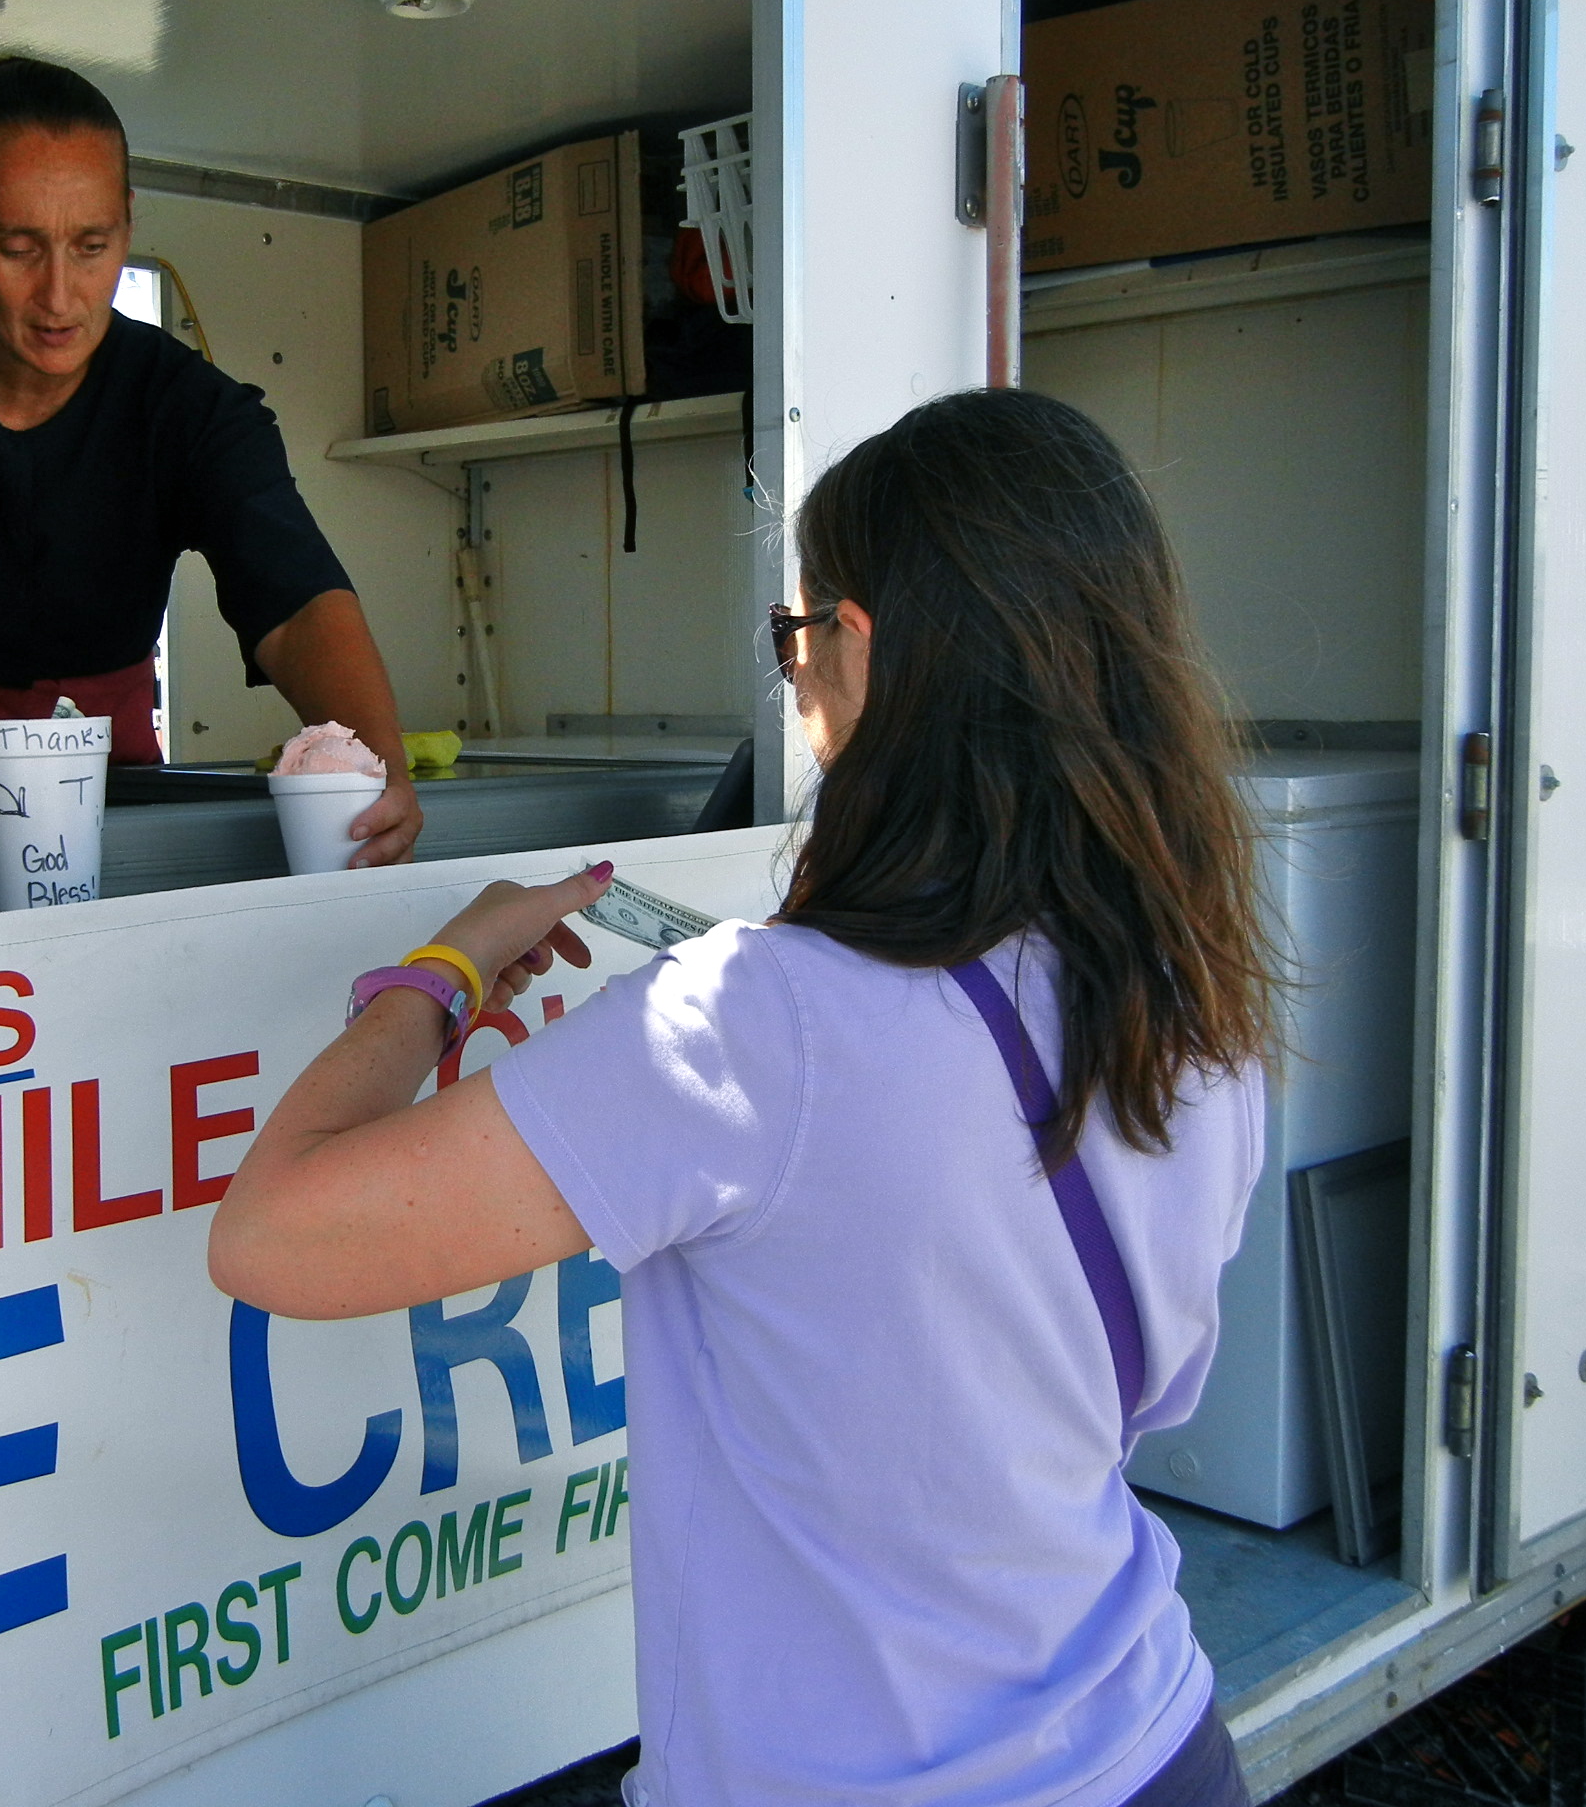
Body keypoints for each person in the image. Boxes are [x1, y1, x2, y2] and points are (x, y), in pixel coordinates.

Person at [211, 388, 1275, 1807]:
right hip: (1154, 1745)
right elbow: (1133, 1399)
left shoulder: (756, 1027)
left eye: (796, 633)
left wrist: (441, 972)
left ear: (861, 646)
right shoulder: (1187, 990)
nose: (797, 675)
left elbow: (271, 1236)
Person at [0, 56, 422, 863]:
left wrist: (379, 765)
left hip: (108, 785)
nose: (59, 298)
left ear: (127, 223)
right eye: (17, 247)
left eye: (92, 246)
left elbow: (298, 606)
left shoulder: (188, 409)